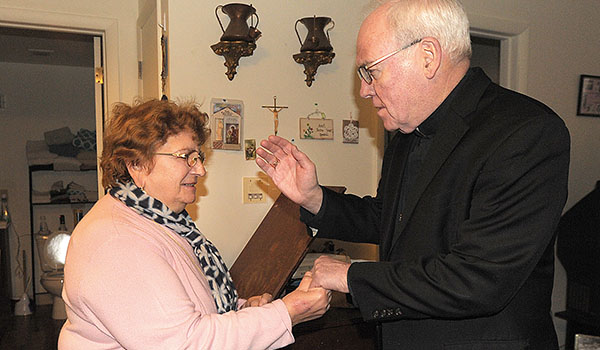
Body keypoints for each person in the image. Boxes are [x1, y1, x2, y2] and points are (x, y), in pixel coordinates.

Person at [256, 0, 570, 348]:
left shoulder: (525, 133)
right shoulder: (407, 133)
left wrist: (351, 276)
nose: (364, 90)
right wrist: (313, 196)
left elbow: (479, 279)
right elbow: (388, 218)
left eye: (370, 71)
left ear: (428, 56)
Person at [58, 99, 330, 350]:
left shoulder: (163, 221)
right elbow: (187, 342)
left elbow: (191, 306)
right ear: (137, 164)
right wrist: (286, 313)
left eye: (198, 156)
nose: (200, 169)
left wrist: (245, 309)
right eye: (186, 157)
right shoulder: (118, 242)